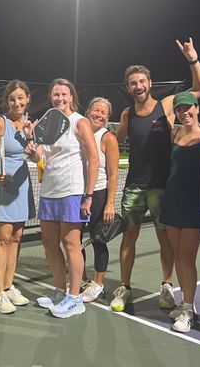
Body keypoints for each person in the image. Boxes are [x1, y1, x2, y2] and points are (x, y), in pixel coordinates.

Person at [111, 38, 200, 312]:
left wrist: (192, 58)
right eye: (133, 83)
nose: (138, 86)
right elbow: (110, 142)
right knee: (129, 237)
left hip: (164, 187)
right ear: (128, 87)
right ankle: (125, 287)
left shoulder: (166, 105)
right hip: (134, 187)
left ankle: (166, 286)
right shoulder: (128, 114)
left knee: (165, 239)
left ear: (149, 83)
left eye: (142, 81)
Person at [27, 79, 99, 318]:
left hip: (72, 191)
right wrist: (32, 149)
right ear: (51, 97)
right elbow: (42, 157)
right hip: (49, 191)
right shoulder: (46, 125)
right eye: (56, 94)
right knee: (49, 244)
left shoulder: (80, 122)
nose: (59, 98)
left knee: (71, 245)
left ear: (71, 97)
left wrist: (88, 196)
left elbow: (93, 159)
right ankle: (59, 290)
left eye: (64, 94)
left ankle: (75, 297)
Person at [160, 90, 200, 333]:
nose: (184, 113)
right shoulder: (173, 132)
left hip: (195, 204)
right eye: (179, 109)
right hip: (172, 200)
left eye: (188, 107)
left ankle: (187, 307)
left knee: (187, 256)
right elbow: (162, 105)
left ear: (197, 107)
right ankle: (186, 304)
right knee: (177, 254)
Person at [0, 80, 35, 314]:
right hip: (3, 186)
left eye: (21, 98)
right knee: (2, 238)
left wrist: (31, 138)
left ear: (27, 99)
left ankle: (9, 285)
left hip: (23, 186)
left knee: (17, 237)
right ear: (8, 101)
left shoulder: (29, 124)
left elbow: (35, 156)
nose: (17, 102)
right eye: (13, 98)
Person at [79, 97, 120, 303]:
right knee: (75, 241)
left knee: (98, 240)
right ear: (88, 111)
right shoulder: (79, 133)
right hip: (78, 193)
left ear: (107, 117)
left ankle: (98, 284)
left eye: (103, 112)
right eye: (96, 110)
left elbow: (113, 174)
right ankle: (82, 280)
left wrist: (110, 202)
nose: (98, 115)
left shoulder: (108, 139)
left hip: (99, 194)